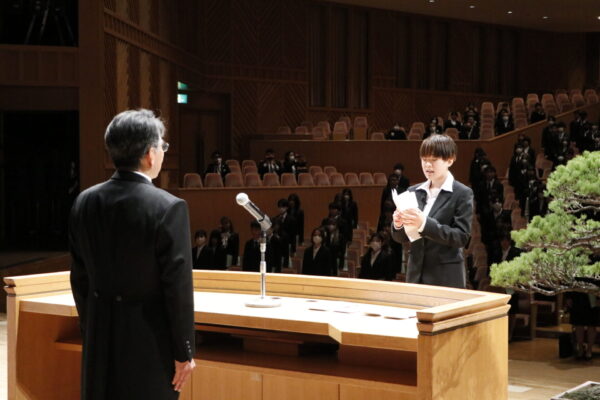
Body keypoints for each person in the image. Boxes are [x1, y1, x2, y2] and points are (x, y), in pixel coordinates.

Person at [69, 109, 195, 399]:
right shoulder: (169, 207)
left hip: (99, 337)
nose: (162, 153)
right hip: (148, 343)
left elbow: (80, 278)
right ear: (150, 154)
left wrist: (92, 328)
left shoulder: (84, 201)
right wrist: (184, 351)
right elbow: (177, 288)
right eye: (162, 146)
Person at [391, 134, 473, 288]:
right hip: (416, 275)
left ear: (450, 160)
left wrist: (424, 224)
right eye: (424, 159)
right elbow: (401, 237)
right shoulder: (413, 191)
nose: (428, 165)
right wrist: (398, 224)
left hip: (446, 277)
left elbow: (461, 237)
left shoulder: (462, 193)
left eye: (434, 160)